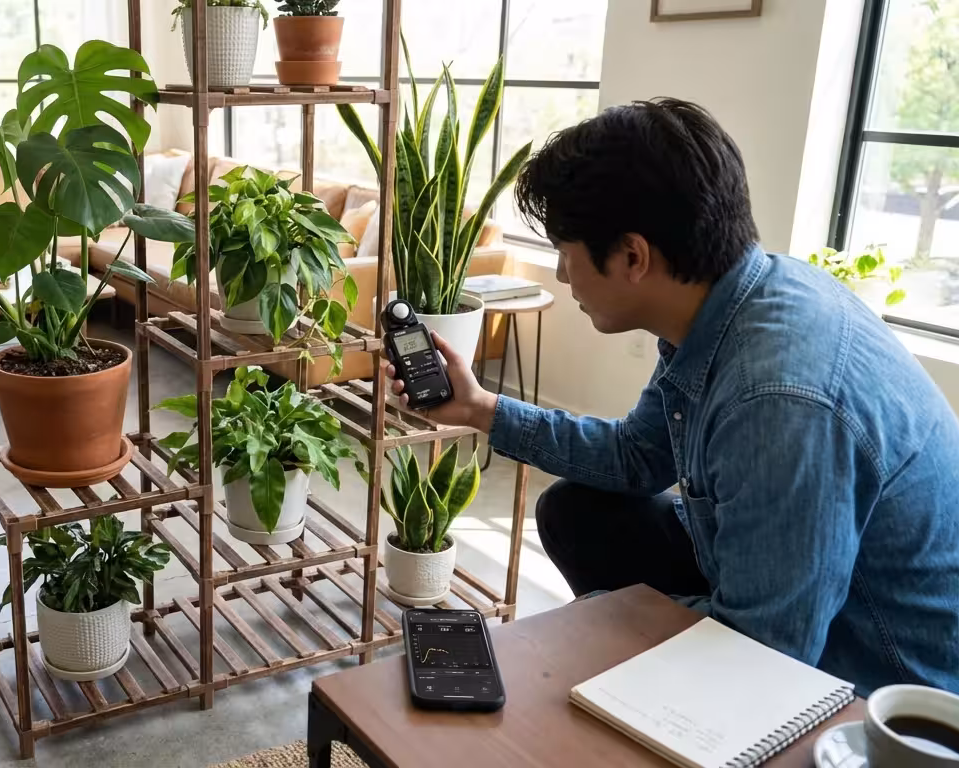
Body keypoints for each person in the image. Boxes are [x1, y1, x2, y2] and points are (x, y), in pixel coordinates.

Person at [385, 98, 959, 697]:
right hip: (799, 604)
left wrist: (593, 626)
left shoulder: (777, 401)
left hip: (882, 677)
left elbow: (766, 650)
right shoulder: (735, 302)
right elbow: (638, 456)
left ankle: (653, 709)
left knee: (584, 644)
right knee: (577, 514)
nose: (560, 274)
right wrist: (481, 408)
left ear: (633, 256)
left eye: (566, 252)